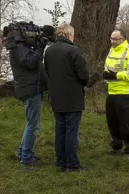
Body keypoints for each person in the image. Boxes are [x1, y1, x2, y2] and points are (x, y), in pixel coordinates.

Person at [44, 24, 90, 172]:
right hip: (72, 98)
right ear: (69, 35)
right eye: (73, 35)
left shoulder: (49, 51)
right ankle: (72, 164)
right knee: (71, 131)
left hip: (56, 97)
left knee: (60, 130)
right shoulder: (74, 51)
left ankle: (60, 162)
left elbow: (47, 72)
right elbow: (84, 76)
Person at [6, 28, 49, 170]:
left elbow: (31, 61)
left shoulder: (19, 47)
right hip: (29, 89)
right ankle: (26, 159)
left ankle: (22, 152)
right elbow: (31, 62)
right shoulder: (19, 48)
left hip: (28, 88)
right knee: (33, 125)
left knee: (31, 123)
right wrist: (41, 46)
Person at [102, 29, 129, 157]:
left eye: (115, 39)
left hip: (125, 93)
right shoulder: (112, 50)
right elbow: (108, 67)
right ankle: (116, 146)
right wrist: (106, 75)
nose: (112, 41)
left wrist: (115, 75)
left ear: (122, 39)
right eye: (111, 38)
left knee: (125, 123)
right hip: (111, 91)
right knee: (112, 122)